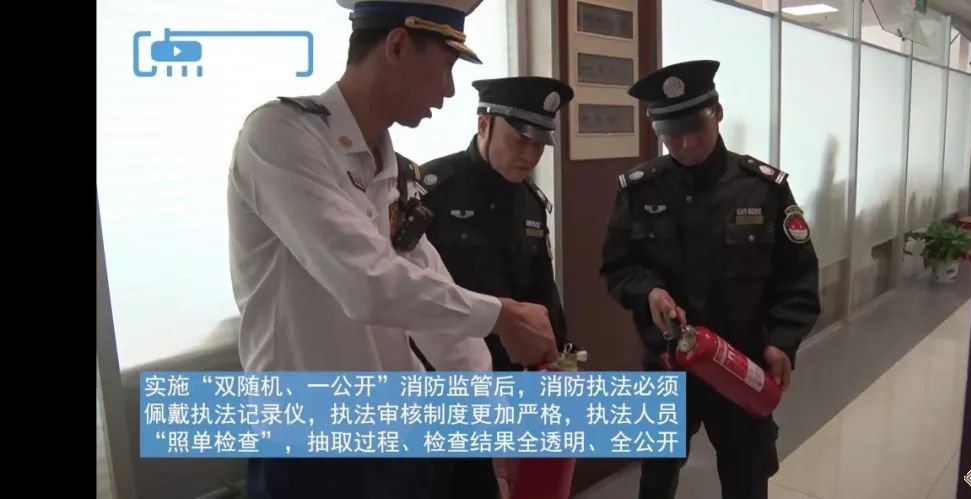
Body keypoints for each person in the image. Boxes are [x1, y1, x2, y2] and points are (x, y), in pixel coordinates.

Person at [226, 1, 557, 497]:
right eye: (445, 67)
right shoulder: (281, 137)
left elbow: (429, 292)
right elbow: (368, 284)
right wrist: (501, 316)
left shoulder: (394, 169)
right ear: (398, 46)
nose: (449, 91)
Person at [598, 60, 822, 499]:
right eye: (671, 133)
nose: (684, 143)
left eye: (694, 129)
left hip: (741, 364)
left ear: (717, 113)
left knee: (746, 479)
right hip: (668, 366)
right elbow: (618, 266)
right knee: (656, 480)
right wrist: (649, 291)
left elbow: (798, 275)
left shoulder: (763, 188)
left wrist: (783, 341)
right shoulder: (640, 190)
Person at [412, 76, 575, 498]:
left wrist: (562, 360)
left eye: (539, 144)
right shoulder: (431, 191)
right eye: (520, 140)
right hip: (444, 382)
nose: (530, 155)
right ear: (484, 124)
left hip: (510, 379)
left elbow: (542, 291)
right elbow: (406, 292)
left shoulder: (530, 202)